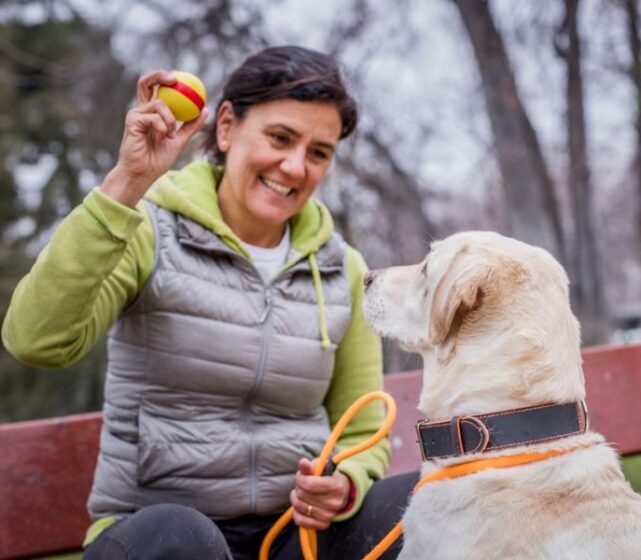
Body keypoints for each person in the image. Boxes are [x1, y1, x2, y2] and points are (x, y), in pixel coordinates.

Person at [2, 46, 415, 560]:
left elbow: (360, 430)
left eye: (318, 152)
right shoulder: (147, 230)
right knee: (180, 538)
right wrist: (127, 184)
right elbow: (36, 340)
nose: (294, 166)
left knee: (424, 504)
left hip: (292, 535)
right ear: (226, 126)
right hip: (160, 534)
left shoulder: (343, 269)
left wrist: (346, 484)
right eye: (281, 138)